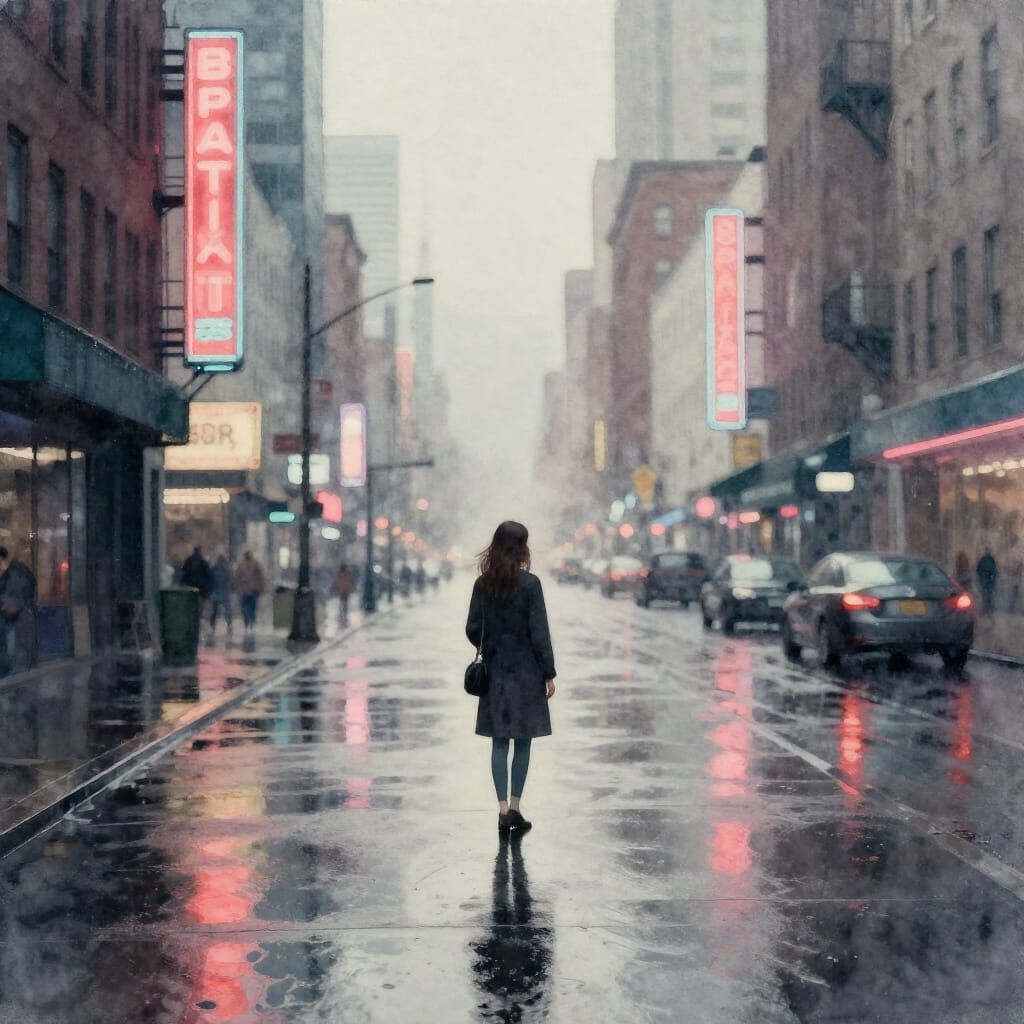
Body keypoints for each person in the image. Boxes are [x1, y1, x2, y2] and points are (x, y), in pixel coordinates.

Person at [466, 520, 556, 834]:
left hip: (495, 671)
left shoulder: (483, 585)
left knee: (499, 741)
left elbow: (472, 629)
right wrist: (548, 673)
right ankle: (516, 807)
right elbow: (539, 633)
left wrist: (491, 643)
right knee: (523, 742)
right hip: (527, 673)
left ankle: (502, 809)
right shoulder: (531, 585)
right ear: (521, 547)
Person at [0, 546, 37, 677]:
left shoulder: (17, 574)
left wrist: (10, 605)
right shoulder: (12, 573)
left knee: (14, 655)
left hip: (16, 621)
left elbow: (14, 602)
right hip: (13, 620)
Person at [234, 550, 266, 632]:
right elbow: (237, 577)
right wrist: (236, 586)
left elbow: (261, 577)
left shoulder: (256, 564)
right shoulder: (241, 565)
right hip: (244, 590)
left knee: (252, 607)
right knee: (245, 608)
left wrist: (262, 587)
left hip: (253, 590)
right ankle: (247, 623)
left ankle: (251, 623)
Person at [209, 555, 233, 636]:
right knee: (227, 610)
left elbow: (210, 580)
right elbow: (229, 580)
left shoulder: (214, 568)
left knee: (214, 611)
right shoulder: (226, 569)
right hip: (224, 593)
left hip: (215, 593)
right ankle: (229, 625)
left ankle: (212, 626)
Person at [976, 548, 998, 615]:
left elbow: (978, 570)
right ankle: (989, 610)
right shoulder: (991, 559)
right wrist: (993, 578)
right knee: (989, 595)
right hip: (989, 580)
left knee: (985, 595)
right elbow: (994, 570)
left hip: (984, 580)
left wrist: (981, 576)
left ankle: (986, 609)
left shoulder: (983, 559)